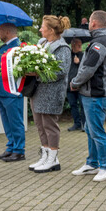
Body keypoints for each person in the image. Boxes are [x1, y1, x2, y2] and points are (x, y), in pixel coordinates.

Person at [69, 10, 106, 181]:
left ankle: (105, 167)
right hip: (94, 93)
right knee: (90, 129)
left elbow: (88, 69)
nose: (88, 24)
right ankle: (92, 163)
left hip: (96, 94)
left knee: (96, 131)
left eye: (89, 21)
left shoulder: (99, 43)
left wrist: (74, 83)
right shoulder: (102, 40)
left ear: (94, 23)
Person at [28, 15, 72, 173]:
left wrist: (36, 73)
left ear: (51, 30)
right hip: (37, 91)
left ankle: (52, 159)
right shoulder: (42, 43)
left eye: (42, 26)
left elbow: (61, 71)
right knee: (40, 125)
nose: (40, 29)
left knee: (49, 125)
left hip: (52, 92)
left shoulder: (63, 48)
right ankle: (45, 156)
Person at [0, 23, 26, 162]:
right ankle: (11, 146)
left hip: (11, 91)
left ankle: (19, 150)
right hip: (1, 90)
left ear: (7, 32)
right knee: (7, 122)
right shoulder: (5, 47)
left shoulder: (17, 47)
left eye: (0, 30)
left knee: (15, 121)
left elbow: (13, 68)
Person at [66, 38, 84, 132]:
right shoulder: (68, 55)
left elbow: (86, 69)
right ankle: (76, 123)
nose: (80, 47)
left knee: (82, 105)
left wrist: (79, 62)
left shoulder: (84, 55)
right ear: (73, 45)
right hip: (69, 86)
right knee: (73, 105)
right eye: (78, 45)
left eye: (81, 45)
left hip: (80, 86)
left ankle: (83, 124)